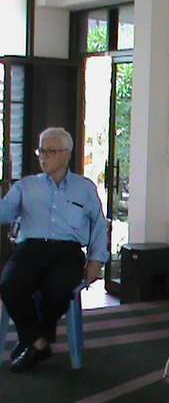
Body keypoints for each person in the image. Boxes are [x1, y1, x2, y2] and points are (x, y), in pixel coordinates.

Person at [0, 127, 109, 372]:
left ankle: (32, 342)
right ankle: (38, 341)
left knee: (59, 289)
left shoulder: (84, 188)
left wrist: (96, 260)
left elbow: (99, 226)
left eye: (50, 151)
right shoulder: (26, 186)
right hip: (30, 249)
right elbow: (4, 213)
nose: (43, 157)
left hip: (67, 252)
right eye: (41, 151)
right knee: (9, 284)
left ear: (67, 154)